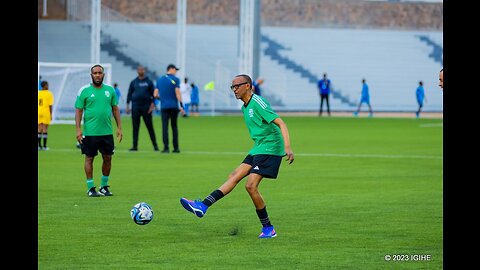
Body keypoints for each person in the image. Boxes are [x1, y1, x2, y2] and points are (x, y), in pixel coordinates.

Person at [180, 74, 294, 239]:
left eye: (237, 86)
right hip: (259, 147)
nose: (234, 90)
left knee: (250, 186)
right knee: (233, 175)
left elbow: (281, 123)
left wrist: (288, 147)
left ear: (247, 86)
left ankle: (269, 228)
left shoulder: (258, 102)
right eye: (232, 87)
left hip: (271, 148)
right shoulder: (244, 107)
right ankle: (203, 206)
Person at [75, 64, 123, 197]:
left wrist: (119, 127)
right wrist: (78, 129)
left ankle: (104, 186)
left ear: (103, 75)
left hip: (107, 132)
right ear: (91, 75)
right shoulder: (84, 91)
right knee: (89, 158)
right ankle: (91, 188)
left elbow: (115, 109)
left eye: (99, 73)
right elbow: (79, 110)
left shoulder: (110, 90)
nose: (97, 75)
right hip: (90, 133)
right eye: (95, 73)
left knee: (108, 158)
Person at [126, 65, 159, 151]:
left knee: (150, 127)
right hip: (135, 107)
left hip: (146, 108)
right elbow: (129, 94)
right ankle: (134, 146)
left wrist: (153, 105)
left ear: (144, 71)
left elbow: (154, 95)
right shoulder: (133, 82)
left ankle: (155, 146)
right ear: (137, 71)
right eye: (139, 70)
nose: (141, 71)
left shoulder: (149, 82)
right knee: (135, 127)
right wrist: (127, 106)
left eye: (142, 70)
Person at [154, 64, 185, 153]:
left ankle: (166, 148)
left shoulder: (159, 80)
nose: (176, 71)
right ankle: (176, 148)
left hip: (164, 107)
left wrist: (162, 99)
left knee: (165, 127)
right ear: (170, 69)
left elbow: (155, 94)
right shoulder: (176, 79)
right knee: (174, 127)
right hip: (174, 106)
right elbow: (177, 93)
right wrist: (182, 106)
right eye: (175, 70)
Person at [38, 81, 54, 150]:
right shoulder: (49, 94)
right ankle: (44, 146)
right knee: (45, 129)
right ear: (44, 86)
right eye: (47, 85)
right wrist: (51, 114)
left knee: (39, 128)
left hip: (39, 112)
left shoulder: (38, 93)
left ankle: (39, 146)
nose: (48, 86)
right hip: (45, 112)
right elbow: (50, 105)